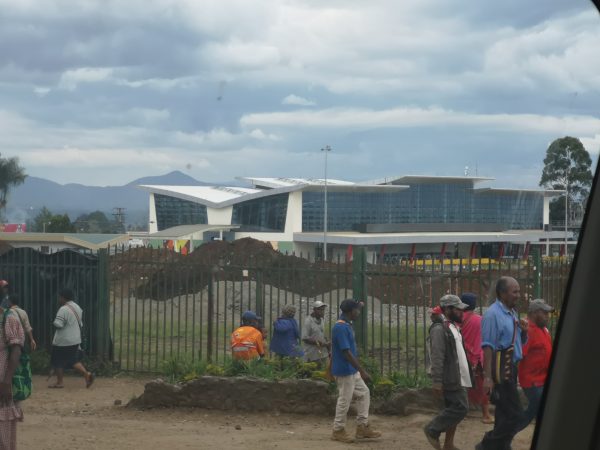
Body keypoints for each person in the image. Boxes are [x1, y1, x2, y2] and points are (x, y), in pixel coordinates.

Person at [476, 277, 529, 450]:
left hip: (511, 368)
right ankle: (486, 444)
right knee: (516, 415)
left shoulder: (512, 312)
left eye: (519, 291)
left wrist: (524, 332)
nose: (518, 295)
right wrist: (488, 378)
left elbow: (516, 342)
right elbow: (488, 347)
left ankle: (502, 446)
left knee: (504, 414)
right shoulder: (492, 315)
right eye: (514, 291)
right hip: (501, 370)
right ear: (502, 293)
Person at [424, 294, 472, 450]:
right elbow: (437, 357)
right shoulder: (439, 329)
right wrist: (437, 381)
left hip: (460, 377)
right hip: (450, 378)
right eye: (458, 309)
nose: (462, 313)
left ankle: (449, 444)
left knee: (452, 409)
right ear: (448, 309)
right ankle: (432, 429)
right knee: (461, 408)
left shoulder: (452, 326)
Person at [330, 299, 381, 443]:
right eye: (357, 310)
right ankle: (338, 430)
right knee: (344, 400)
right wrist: (362, 370)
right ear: (350, 311)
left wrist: (360, 304)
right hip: (344, 370)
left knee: (364, 393)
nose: (358, 312)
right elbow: (346, 352)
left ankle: (362, 426)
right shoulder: (340, 327)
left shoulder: (345, 325)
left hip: (350, 370)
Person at [517, 298, 553, 431]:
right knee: (533, 411)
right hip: (532, 382)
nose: (547, 316)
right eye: (544, 313)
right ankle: (504, 434)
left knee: (538, 411)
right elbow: (520, 353)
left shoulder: (544, 330)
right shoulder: (527, 331)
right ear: (534, 313)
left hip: (542, 380)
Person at [49, 288, 94, 389]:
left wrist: (54, 323)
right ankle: (87, 375)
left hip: (63, 340)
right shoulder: (77, 307)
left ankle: (60, 382)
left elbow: (58, 324)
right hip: (75, 339)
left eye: (59, 296)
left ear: (63, 297)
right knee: (72, 359)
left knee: (57, 360)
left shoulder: (63, 309)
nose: (58, 298)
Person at [460, 292, 493, 424]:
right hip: (477, 359)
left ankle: (462, 412)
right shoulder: (480, 320)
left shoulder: (457, 319)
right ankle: (485, 415)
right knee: (482, 386)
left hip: (461, 357)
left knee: (462, 385)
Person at [0, 292, 25, 449]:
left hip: (2, 379)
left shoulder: (8, 319)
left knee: (3, 425)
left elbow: (16, 350)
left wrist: (7, 381)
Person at [302, 300, 330, 367]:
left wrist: (327, 344)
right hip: (311, 353)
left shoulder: (322, 320)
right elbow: (305, 338)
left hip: (322, 352)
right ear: (314, 310)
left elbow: (323, 334)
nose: (322, 311)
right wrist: (319, 343)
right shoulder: (308, 321)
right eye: (319, 309)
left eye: (323, 310)